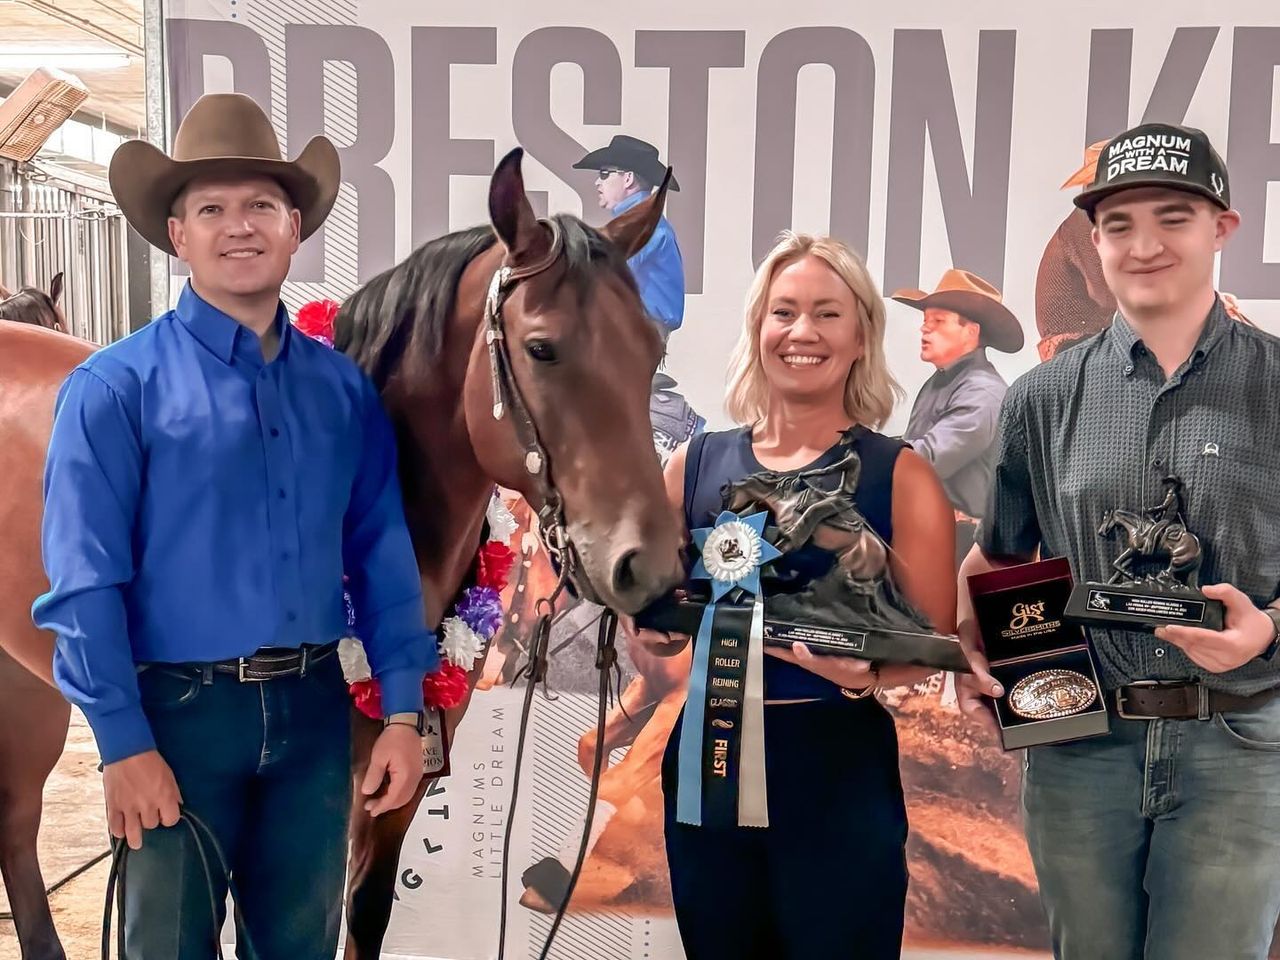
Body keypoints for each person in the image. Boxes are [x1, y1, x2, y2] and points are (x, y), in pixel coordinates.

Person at [32, 93, 437, 958]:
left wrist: (403, 712)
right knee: (168, 948)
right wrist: (122, 746)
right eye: (210, 208)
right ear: (176, 235)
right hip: (180, 718)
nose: (238, 226)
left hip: (313, 714)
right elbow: (83, 585)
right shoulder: (115, 391)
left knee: (297, 947)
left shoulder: (341, 391)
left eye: (260, 205)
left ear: (295, 227)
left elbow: (381, 556)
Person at [957, 121, 1280, 960]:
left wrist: (1268, 629)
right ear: (1092, 239)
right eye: (1119, 223)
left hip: (1241, 745)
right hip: (1079, 746)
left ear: (1223, 228)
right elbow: (1001, 555)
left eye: (1174, 217)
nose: (1145, 245)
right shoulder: (1040, 397)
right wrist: (972, 643)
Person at [629, 232, 957, 959]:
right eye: (783, 312)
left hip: (838, 766)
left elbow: (933, 646)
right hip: (708, 765)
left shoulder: (900, 475)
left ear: (861, 332)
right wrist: (651, 632)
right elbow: (658, 625)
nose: (802, 332)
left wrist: (865, 679)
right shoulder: (694, 463)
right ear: (758, 328)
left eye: (826, 313)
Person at [892, 268, 1023, 566]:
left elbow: (926, 459)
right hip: (937, 540)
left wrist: (864, 453)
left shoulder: (982, 392)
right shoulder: (943, 382)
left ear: (971, 331)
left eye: (937, 321)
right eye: (925, 321)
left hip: (963, 548)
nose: (924, 329)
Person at [574, 135, 685, 340]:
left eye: (605, 173)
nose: (598, 181)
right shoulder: (643, 222)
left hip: (636, 332)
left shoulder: (643, 226)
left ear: (628, 179)